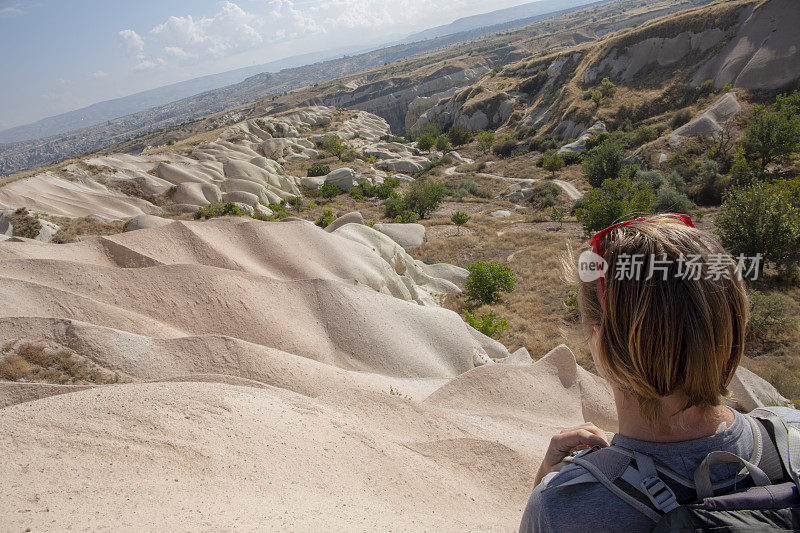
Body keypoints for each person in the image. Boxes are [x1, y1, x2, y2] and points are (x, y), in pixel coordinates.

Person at [519, 213, 800, 532]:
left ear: (599, 338)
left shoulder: (563, 508)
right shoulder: (792, 437)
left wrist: (549, 483)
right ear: (729, 323)